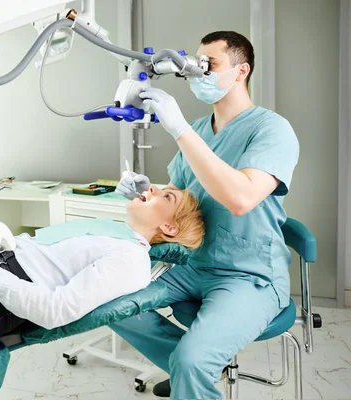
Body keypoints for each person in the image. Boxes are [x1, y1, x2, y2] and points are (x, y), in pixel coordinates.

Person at [113, 31, 299, 399]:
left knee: (192, 361)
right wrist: (147, 191)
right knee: (109, 305)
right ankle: (189, 369)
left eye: (208, 65)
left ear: (241, 71)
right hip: (192, 265)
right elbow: (182, 196)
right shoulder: (199, 131)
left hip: (249, 274)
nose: (197, 73)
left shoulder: (271, 129)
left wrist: (179, 129)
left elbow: (242, 198)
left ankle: (192, 367)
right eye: (194, 65)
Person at [0, 185, 204, 340]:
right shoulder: (116, 234)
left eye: (167, 197)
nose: (153, 189)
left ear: (170, 228)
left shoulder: (131, 260)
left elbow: (54, 311)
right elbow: (29, 251)